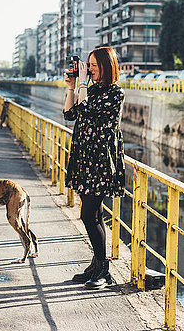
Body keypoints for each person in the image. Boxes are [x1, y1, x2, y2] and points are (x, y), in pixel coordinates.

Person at [63, 46, 125, 290]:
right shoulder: (92, 90)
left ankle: (104, 270)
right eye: (88, 65)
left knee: (88, 215)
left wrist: (80, 87)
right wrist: (71, 87)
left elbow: (85, 109)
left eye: (94, 66)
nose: (89, 70)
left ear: (107, 67)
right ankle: (96, 266)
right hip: (84, 157)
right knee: (95, 214)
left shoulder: (115, 94)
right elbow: (69, 114)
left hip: (100, 160)